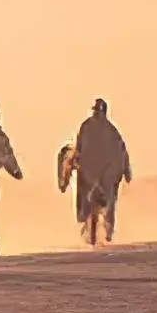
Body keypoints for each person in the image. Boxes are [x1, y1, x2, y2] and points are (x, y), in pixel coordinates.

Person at [66, 98, 130, 244]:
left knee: (101, 197)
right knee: (109, 199)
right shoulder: (109, 129)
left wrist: (73, 162)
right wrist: (126, 170)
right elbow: (122, 150)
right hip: (102, 172)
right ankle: (105, 230)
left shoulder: (89, 126)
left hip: (95, 172)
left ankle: (104, 230)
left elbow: (78, 147)